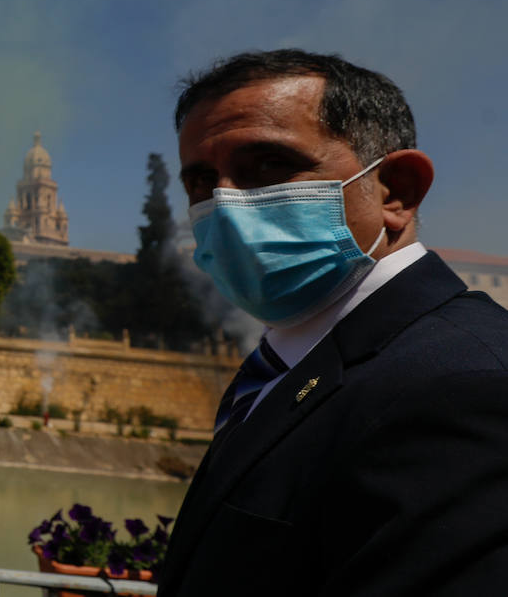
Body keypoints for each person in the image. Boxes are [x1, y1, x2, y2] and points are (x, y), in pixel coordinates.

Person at [158, 49, 508, 595]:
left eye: (269, 165)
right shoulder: (295, 362)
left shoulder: (464, 386)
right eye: (202, 180)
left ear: (397, 190)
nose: (223, 204)